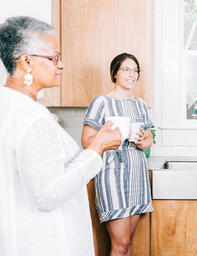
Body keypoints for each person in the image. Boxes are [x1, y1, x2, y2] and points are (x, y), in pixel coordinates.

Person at [0, 16, 121, 256]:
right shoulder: (32, 118)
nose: (61, 64)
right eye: (54, 57)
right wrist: (96, 149)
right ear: (27, 62)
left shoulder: (8, 105)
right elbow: (48, 194)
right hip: (47, 243)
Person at [81, 53, 154, 256]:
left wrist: (141, 142)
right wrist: (110, 139)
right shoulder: (101, 102)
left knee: (128, 243)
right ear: (115, 73)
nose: (132, 75)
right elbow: (86, 141)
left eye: (136, 70)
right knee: (120, 244)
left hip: (137, 175)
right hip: (112, 174)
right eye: (127, 70)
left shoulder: (140, 104)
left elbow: (149, 139)